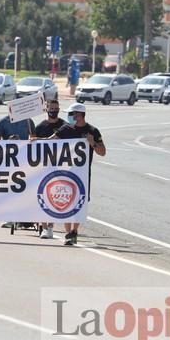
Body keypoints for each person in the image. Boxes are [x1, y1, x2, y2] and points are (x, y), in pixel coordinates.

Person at [39, 103, 106, 245]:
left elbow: (102, 152)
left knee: (79, 203)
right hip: (66, 172)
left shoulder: (92, 131)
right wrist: (36, 141)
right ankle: (68, 233)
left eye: (71, 114)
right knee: (67, 200)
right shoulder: (66, 129)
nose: (69, 116)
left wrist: (92, 143)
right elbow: (51, 141)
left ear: (79, 115)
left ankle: (74, 231)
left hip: (82, 173)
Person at [31, 99, 66, 239]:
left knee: (54, 196)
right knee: (42, 196)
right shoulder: (40, 127)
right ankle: (44, 226)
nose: (53, 110)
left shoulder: (64, 126)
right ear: (46, 109)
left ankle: (51, 226)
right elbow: (33, 143)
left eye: (56, 108)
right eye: (51, 108)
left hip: (59, 165)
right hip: (43, 166)